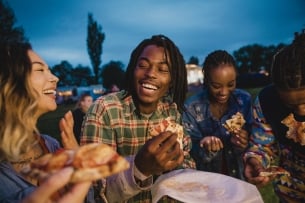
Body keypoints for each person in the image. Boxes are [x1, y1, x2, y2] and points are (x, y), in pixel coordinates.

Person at [81, 34, 196, 202]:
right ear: (132, 69)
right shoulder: (105, 110)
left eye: (163, 69)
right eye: (143, 65)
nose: (150, 74)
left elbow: (187, 160)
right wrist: (140, 168)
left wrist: (180, 165)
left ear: (172, 80)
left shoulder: (172, 112)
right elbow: (92, 191)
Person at [0, 40, 91, 202]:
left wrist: (77, 160)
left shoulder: (51, 145)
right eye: (40, 69)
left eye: (49, 70)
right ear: (9, 82)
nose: (55, 78)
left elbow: (89, 197)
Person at [244, 30, 305, 202]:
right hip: (291, 193)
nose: (301, 112)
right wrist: (256, 160)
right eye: (290, 105)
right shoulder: (266, 102)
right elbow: (262, 144)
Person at [183, 50, 253, 180]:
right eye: (216, 86)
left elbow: (256, 139)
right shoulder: (191, 107)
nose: (224, 92)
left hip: (239, 176)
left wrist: (245, 141)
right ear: (206, 81)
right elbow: (188, 150)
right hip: (207, 179)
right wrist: (204, 146)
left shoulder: (244, 100)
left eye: (231, 84)